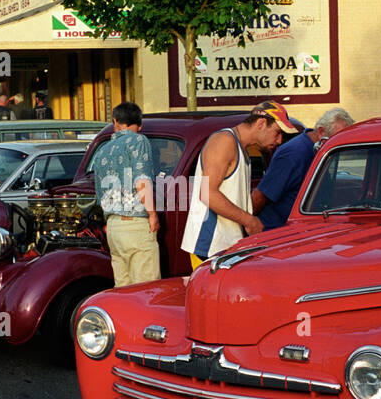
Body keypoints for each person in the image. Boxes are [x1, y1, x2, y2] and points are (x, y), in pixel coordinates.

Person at [180, 102, 297, 268]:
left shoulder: (242, 147)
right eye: (277, 132)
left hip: (226, 247)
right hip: (210, 247)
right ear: (261, 123)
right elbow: (208, 194)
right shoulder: (224, 141)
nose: (279, 140)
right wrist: (250, 220)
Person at [92, 102, 160, 286]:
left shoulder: (103, 149)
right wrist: (153, 214)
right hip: (135, 224)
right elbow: (142, 180)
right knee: (146, 288)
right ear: (139, 124)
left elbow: (99, 191)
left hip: (113, 227)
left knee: (122, 289)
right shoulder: (139, 141)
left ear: (115, 122)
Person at [253, 107, 354, 230]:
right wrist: (249, 223)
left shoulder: (321, 151)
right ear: (321, 132)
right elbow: (262, 195)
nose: (338, 143)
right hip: (278, 231)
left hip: (304, 228)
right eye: (336, 138)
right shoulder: (294, 153)